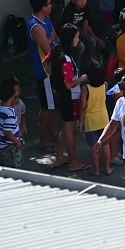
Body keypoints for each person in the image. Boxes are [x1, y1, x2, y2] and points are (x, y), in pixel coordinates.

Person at [46, 24, 90, 172]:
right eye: (76, 36)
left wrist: (53, 75)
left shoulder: (56, 49)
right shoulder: (66, 59)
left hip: (57, 94)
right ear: (71, 39)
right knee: (70, 128)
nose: (78, 39)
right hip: (68, 97)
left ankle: (59, 158)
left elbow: (45, 63)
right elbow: (69, 85)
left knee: (66, 127)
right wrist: (83, 78)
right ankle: (73, 162)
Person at [93, 71, 125, 188]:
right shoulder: (120, 102)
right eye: (121, 87)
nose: (122, 92)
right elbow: (113, 124)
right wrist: (100, 141)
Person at [27, 0, 60, 153]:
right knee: (46, 107)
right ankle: (43, 140)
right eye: (49, 3)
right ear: (42, 6)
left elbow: (55, 38)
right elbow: (48, 49)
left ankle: (52, 131)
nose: (51, 6)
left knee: (51, 105)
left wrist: (52, 39)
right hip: (44, 72)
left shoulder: (46, 19)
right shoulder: (36, 27)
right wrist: (51, 40)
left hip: (51, 70)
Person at [79, 59, 112, 177]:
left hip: (91, 120)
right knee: (105, 144)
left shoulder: (85, 89)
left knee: (93, 146)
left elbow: (83, 106)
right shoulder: (105, 85)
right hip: (104, 117)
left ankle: (96, 170)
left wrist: (81, 121)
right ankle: (108, 168)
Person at [0, 77, 25, 168]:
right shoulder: (10, 113)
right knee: (14, 168)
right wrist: (17, 142)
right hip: (10, 146)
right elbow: (7, 132)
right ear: (12, 94)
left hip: (1, 144)